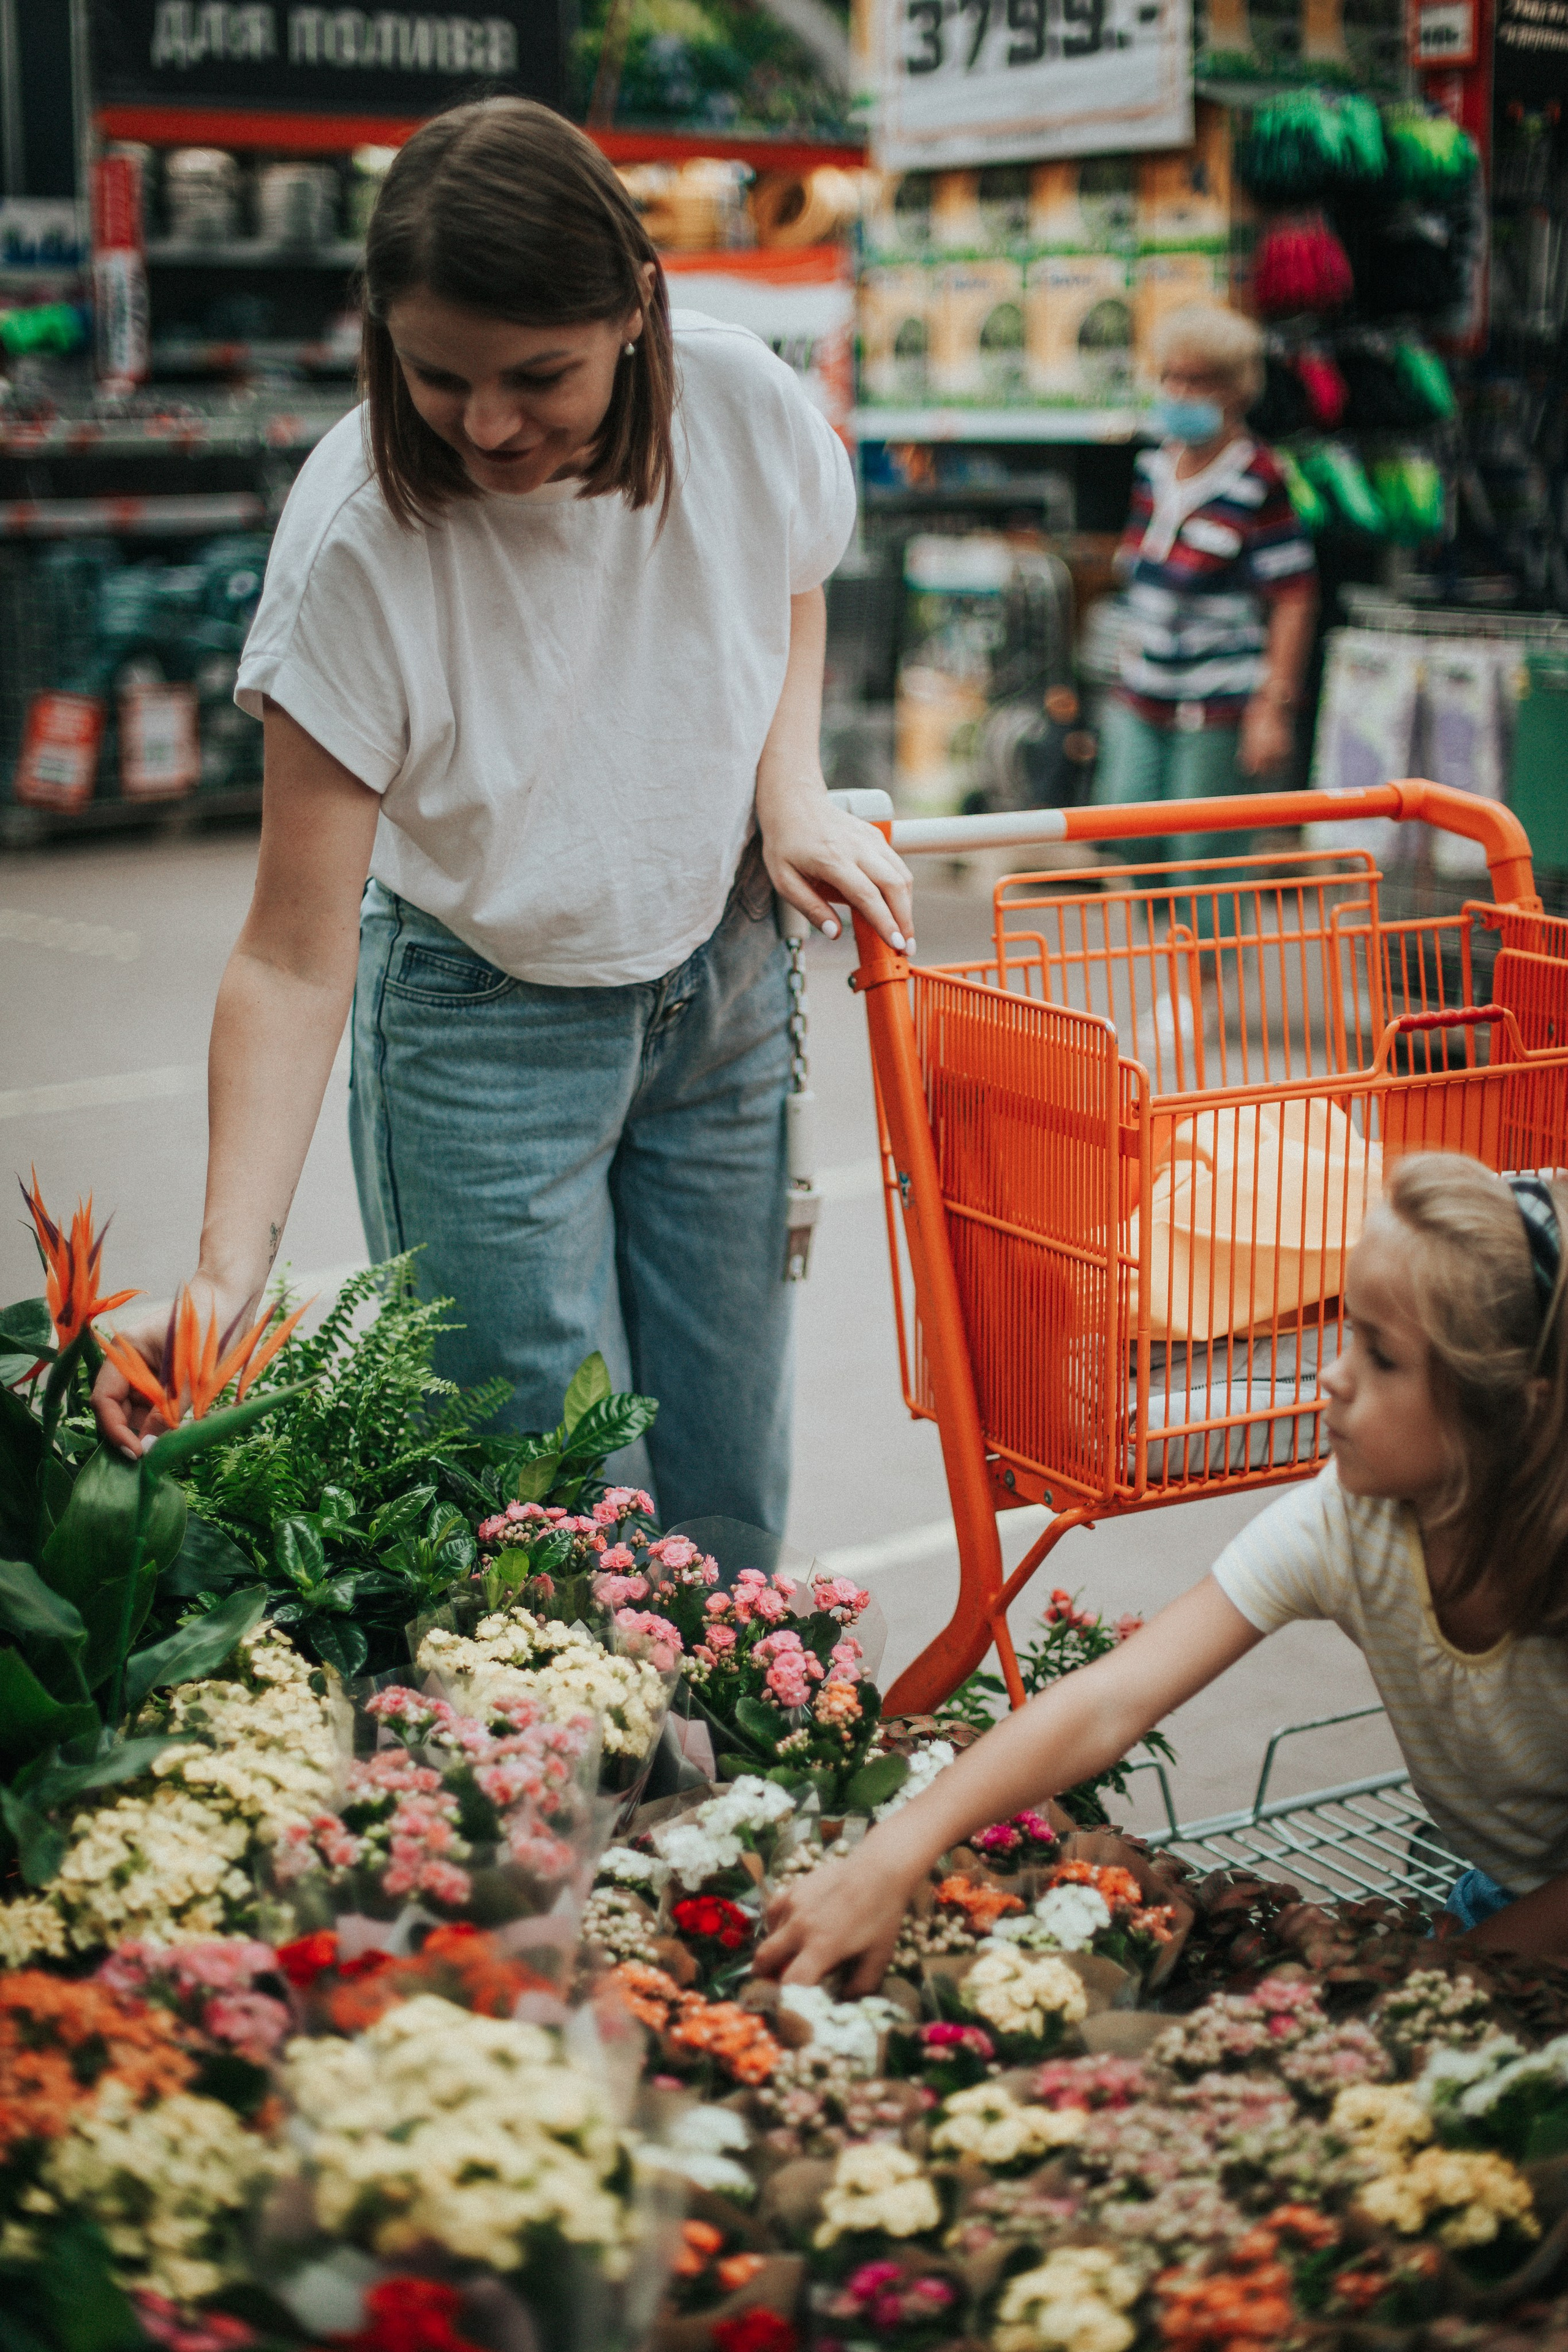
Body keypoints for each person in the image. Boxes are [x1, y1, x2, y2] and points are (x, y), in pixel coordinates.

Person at [92, 99, 911, 1531]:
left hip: (722, 984)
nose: (485, 424)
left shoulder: (736, 398)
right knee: (555, 1527)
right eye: (436, 374)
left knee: (727, 1496)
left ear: (636, 310)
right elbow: (290, 952)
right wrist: (224, 1278)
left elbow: (791, 573)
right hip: (481, 1032)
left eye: (539, 376)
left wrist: (785, 788)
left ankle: (723, 1696)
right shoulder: (354, 541)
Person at [756, 1152, 1568, 1985]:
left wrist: (1450, 1977)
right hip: (1500, 1892)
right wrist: (890, 1858)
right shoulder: (1350, 1520)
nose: (1333, 1372)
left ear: (1513, 1404)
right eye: (1347, 1329)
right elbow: (1110, 1700)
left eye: (1382, 1356)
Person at [1093, 301, 1317, 875]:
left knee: (1204, 860)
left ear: (1236, 390)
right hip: (1141, 690)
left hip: (1218, 702)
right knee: (1125, 833)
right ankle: (1160, 934)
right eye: (1171, 377)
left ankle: (1205, 942)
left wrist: (1273, 708)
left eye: (1196, 382)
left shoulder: (1259, 478)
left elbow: (1293, 596)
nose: (1179, 393)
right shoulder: (1153, 468)